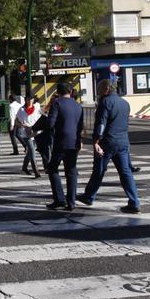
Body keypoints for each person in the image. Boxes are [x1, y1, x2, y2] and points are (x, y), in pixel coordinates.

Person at [77, 79, 141, 214]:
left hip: (107, 141)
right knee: (125, 173)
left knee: (99, 170)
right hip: (123, 141)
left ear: (106, 89)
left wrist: (96, 141)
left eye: (99, 89)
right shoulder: (125, 103)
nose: (98, 92)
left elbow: (101, 123)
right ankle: (134, 201)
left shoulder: (105, 102)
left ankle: (89, 196)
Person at [46, 83, 84, 211]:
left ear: (57, 91)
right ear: (70, 91)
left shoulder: (57, 103)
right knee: (71, 171)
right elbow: (80, 126)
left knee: (52, 168)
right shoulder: (78, 105)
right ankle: (71, 201)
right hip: (74, 142)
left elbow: (50, 123)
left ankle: (59, 199)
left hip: (61, 141)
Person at [15, 97, 42, 179]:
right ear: (25, 100)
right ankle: (36, 172)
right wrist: (23, 126)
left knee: (30, 152)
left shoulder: (37, 107)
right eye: (28, 99)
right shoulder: (21, 110)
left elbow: (41, 117)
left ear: (33, 100)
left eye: (31, 99)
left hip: (35, 133)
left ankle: (24, 167)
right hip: (26, 134)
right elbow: (17, 121)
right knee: (32, 151)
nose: (30, 101)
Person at [33, 94, 57, 172]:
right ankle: (47, 167)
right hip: (47, 135)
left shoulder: (56, 110)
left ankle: (49, 166)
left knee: (50, 150)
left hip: (54, 135)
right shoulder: (46, 111)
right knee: (47, 150)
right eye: (52, 100)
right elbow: (39, 124)